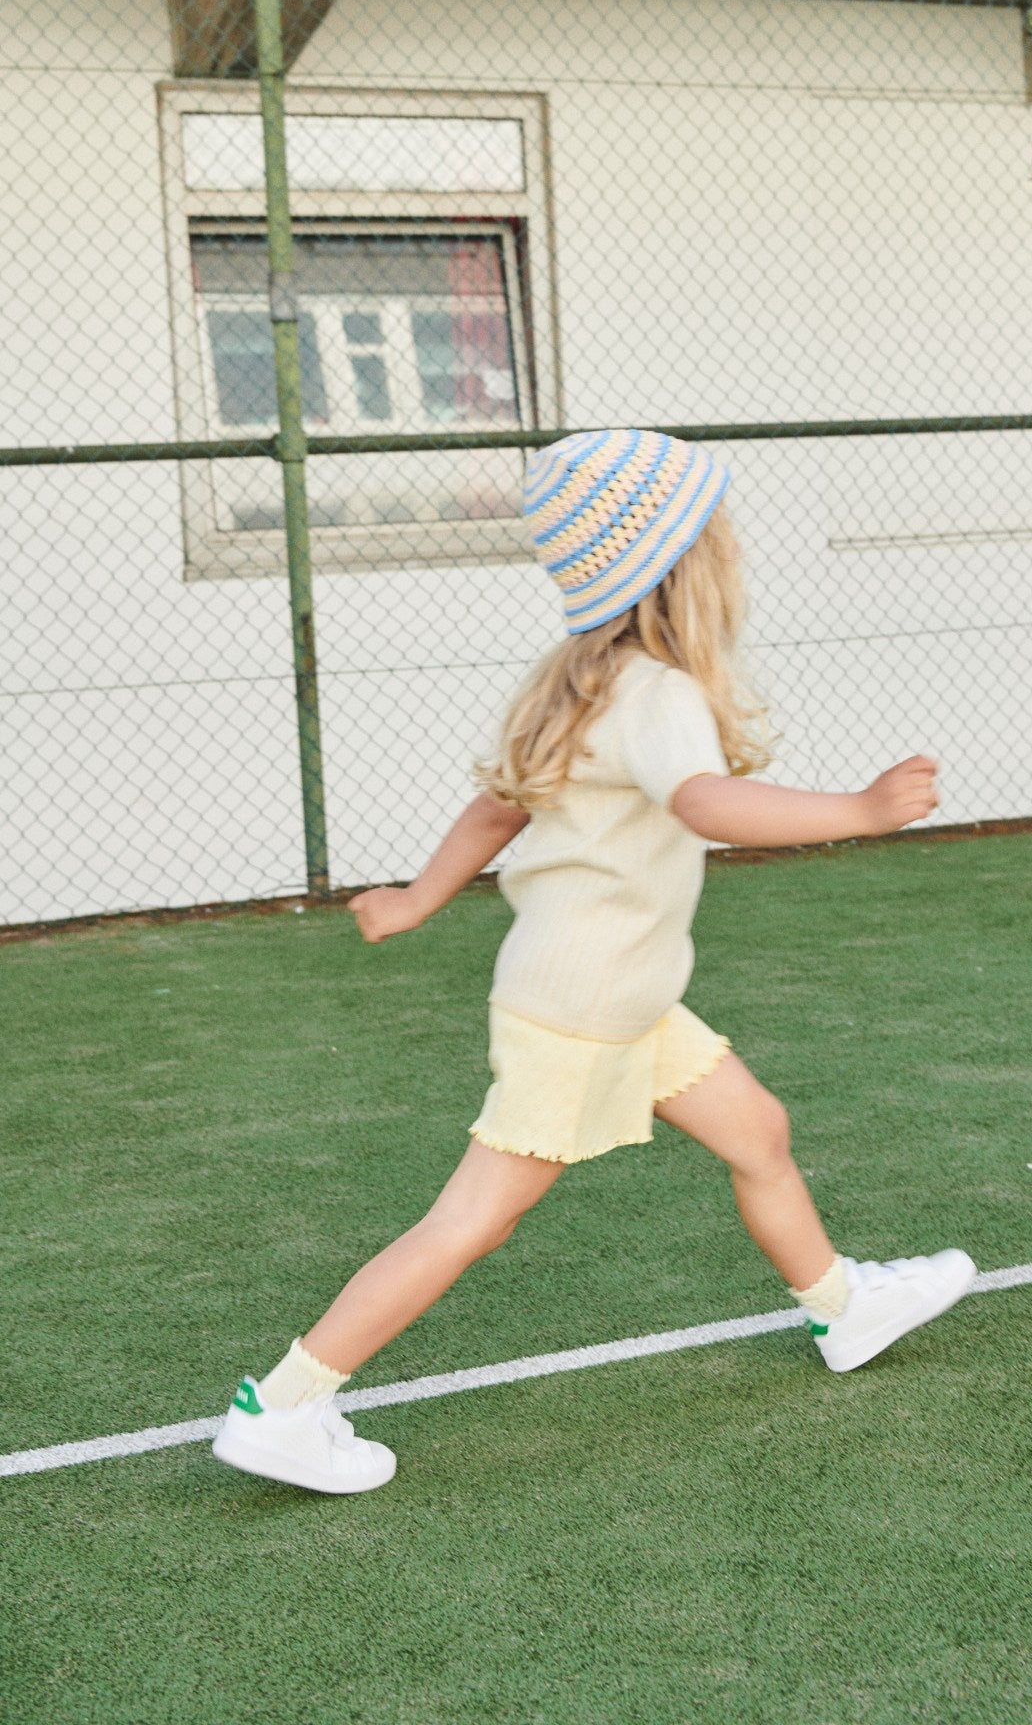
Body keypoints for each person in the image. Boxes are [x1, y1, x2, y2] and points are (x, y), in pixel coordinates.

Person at [212, 430, 976, 1495]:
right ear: (679, 561)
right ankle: (284, 1402)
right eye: (719, 531)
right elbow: (702, 802)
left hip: (618, 993)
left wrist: (417, 898)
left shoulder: (580, 679)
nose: (734, 548)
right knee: (473, 1217)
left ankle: (843, 1306)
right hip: (586, 1009)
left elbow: (497, 805)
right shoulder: (656, 691)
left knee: (758, 1130)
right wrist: (859, 808)